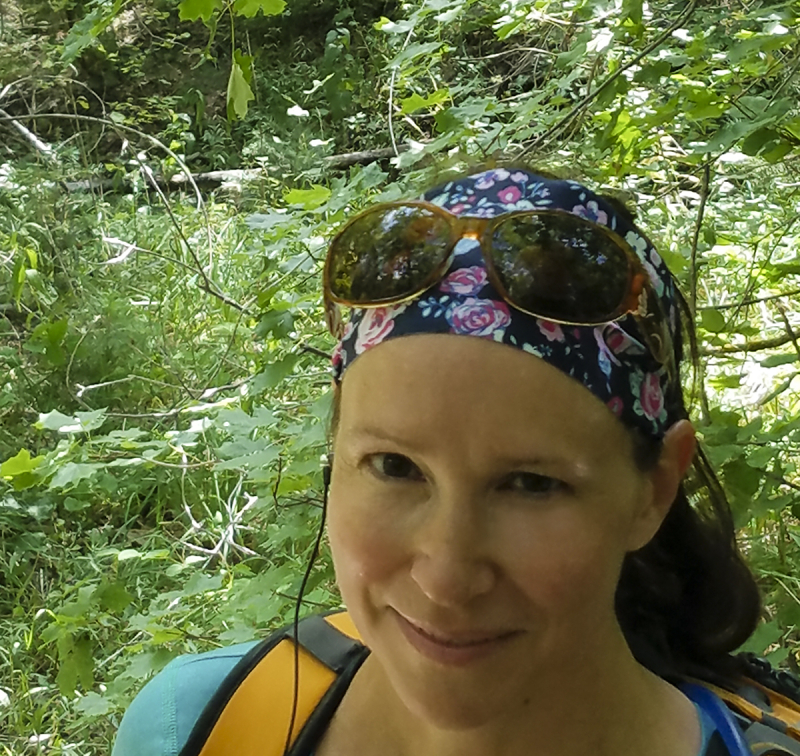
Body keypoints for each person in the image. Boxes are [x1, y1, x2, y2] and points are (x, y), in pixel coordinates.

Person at [113, 166, 770, 756]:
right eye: (395, 467)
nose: (447, 579)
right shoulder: (193, 729)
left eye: (532, 484)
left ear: (652, 492)